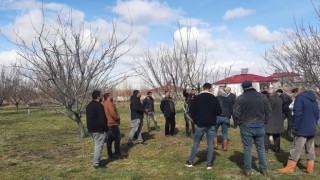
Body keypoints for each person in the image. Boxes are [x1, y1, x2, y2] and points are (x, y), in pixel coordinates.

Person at [233, 80, 271, 177]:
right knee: (261, 148)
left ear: (243, 88)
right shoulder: (262, 96)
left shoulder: (240, 98)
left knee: (247, 148)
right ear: (251, 86)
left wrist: (239, 123)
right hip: (260, 125)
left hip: (246, 126)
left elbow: (236, 113)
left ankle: (248, 170)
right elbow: (268, 111)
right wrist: (265, 121)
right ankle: (264, 170)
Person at [278, 87, 319, 174]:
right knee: (310, 148)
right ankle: (310, 168)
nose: (294, 94)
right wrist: (314, 124)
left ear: (300, 91)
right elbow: (317, 114)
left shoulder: (300, 98)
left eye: (295, 92)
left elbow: (297, 114)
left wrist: (294, 126)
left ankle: (289, 168)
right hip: (312, 127)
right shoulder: (314, 99)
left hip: (302, 128)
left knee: (296, 148)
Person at [185, 83, 222, 170]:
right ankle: (209, 164)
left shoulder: (197, 98)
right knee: (210, 144)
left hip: (200, 124)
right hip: (211, 124)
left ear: (203, 88)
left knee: (196, 143)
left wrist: (196, 121)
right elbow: (219, 112)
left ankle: (190, 162)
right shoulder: (214, 98)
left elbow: (191, 112)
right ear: (210, 89)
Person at [86, 90, 108, 169]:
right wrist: (105, 129)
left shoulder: (88, 105)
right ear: (98, 97)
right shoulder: (99, 106)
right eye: (101, 95)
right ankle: (96, 164)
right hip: (99, 130)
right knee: (98, 147)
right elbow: (102, 119)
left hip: (91, 130)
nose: (102, 97)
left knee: (97, 146)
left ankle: (96, 161)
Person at [264, 89, 283, 153]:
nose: (268, 95)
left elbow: (268, 110)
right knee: (277, 134)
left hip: (271, 119)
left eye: (268, 94)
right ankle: (277, 148)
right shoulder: (279, 99)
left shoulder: (270, 99)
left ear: (270, 93)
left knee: (266, 134)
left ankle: (265, 148)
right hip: (278, 118)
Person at [103, 93, 121, 159]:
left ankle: (110, 154)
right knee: (117, 138)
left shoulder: (104, 103)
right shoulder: (109, 103)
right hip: (113, 123)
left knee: (109, 140)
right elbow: (113, 113)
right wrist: (117, 118)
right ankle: (117, 153)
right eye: (111, 95)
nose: (112, 97)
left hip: (107, 124)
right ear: (108, 97)